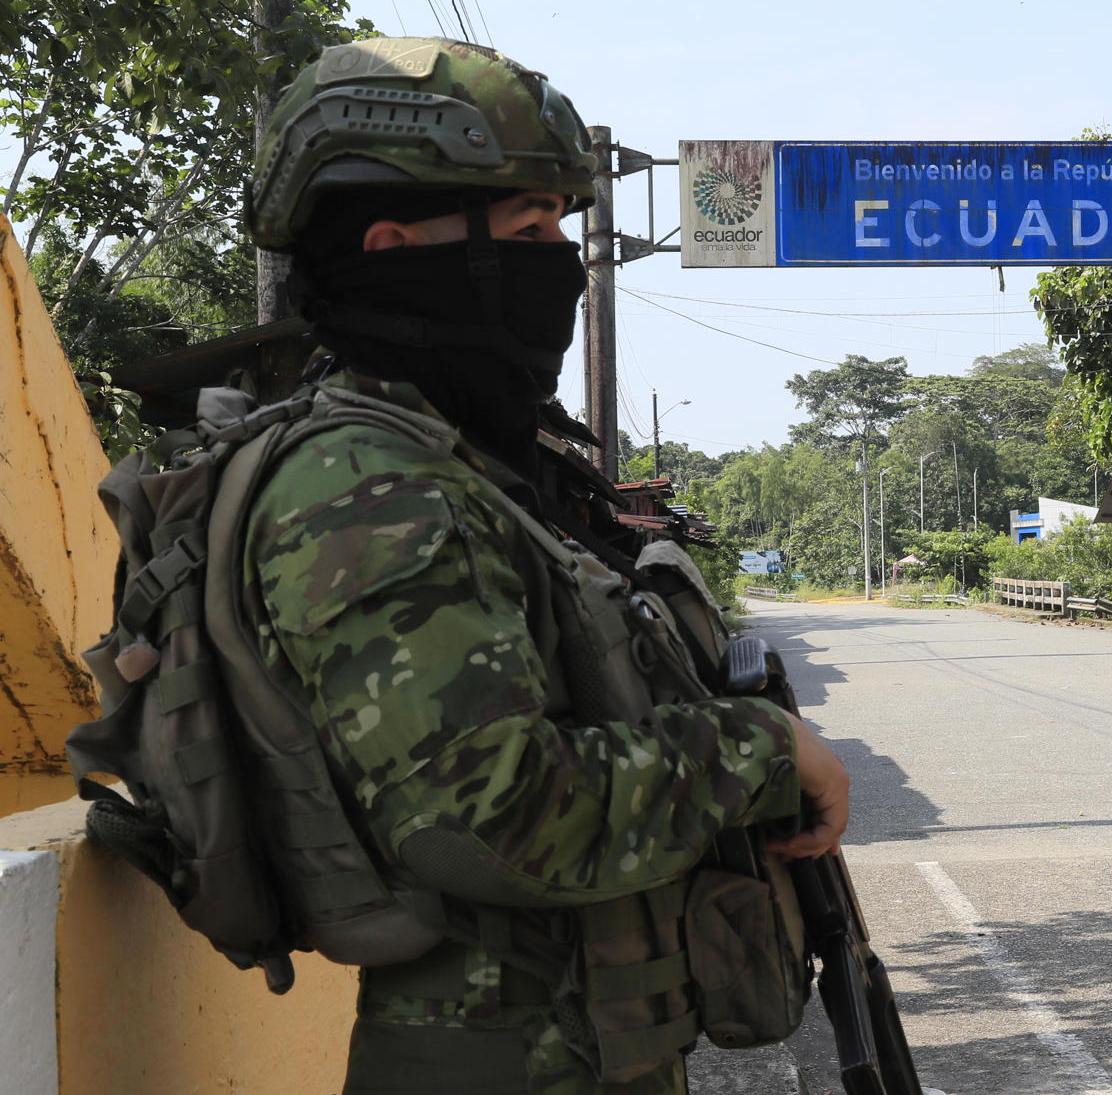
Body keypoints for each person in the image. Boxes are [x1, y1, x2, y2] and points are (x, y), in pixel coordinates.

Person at [242, 36, 850, 1093]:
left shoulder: (463, 466)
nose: (561, 263)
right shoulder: (367, 485)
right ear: (395, 249)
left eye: (564, 227)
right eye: (530, 231)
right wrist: (758, 750)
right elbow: (487, 817)